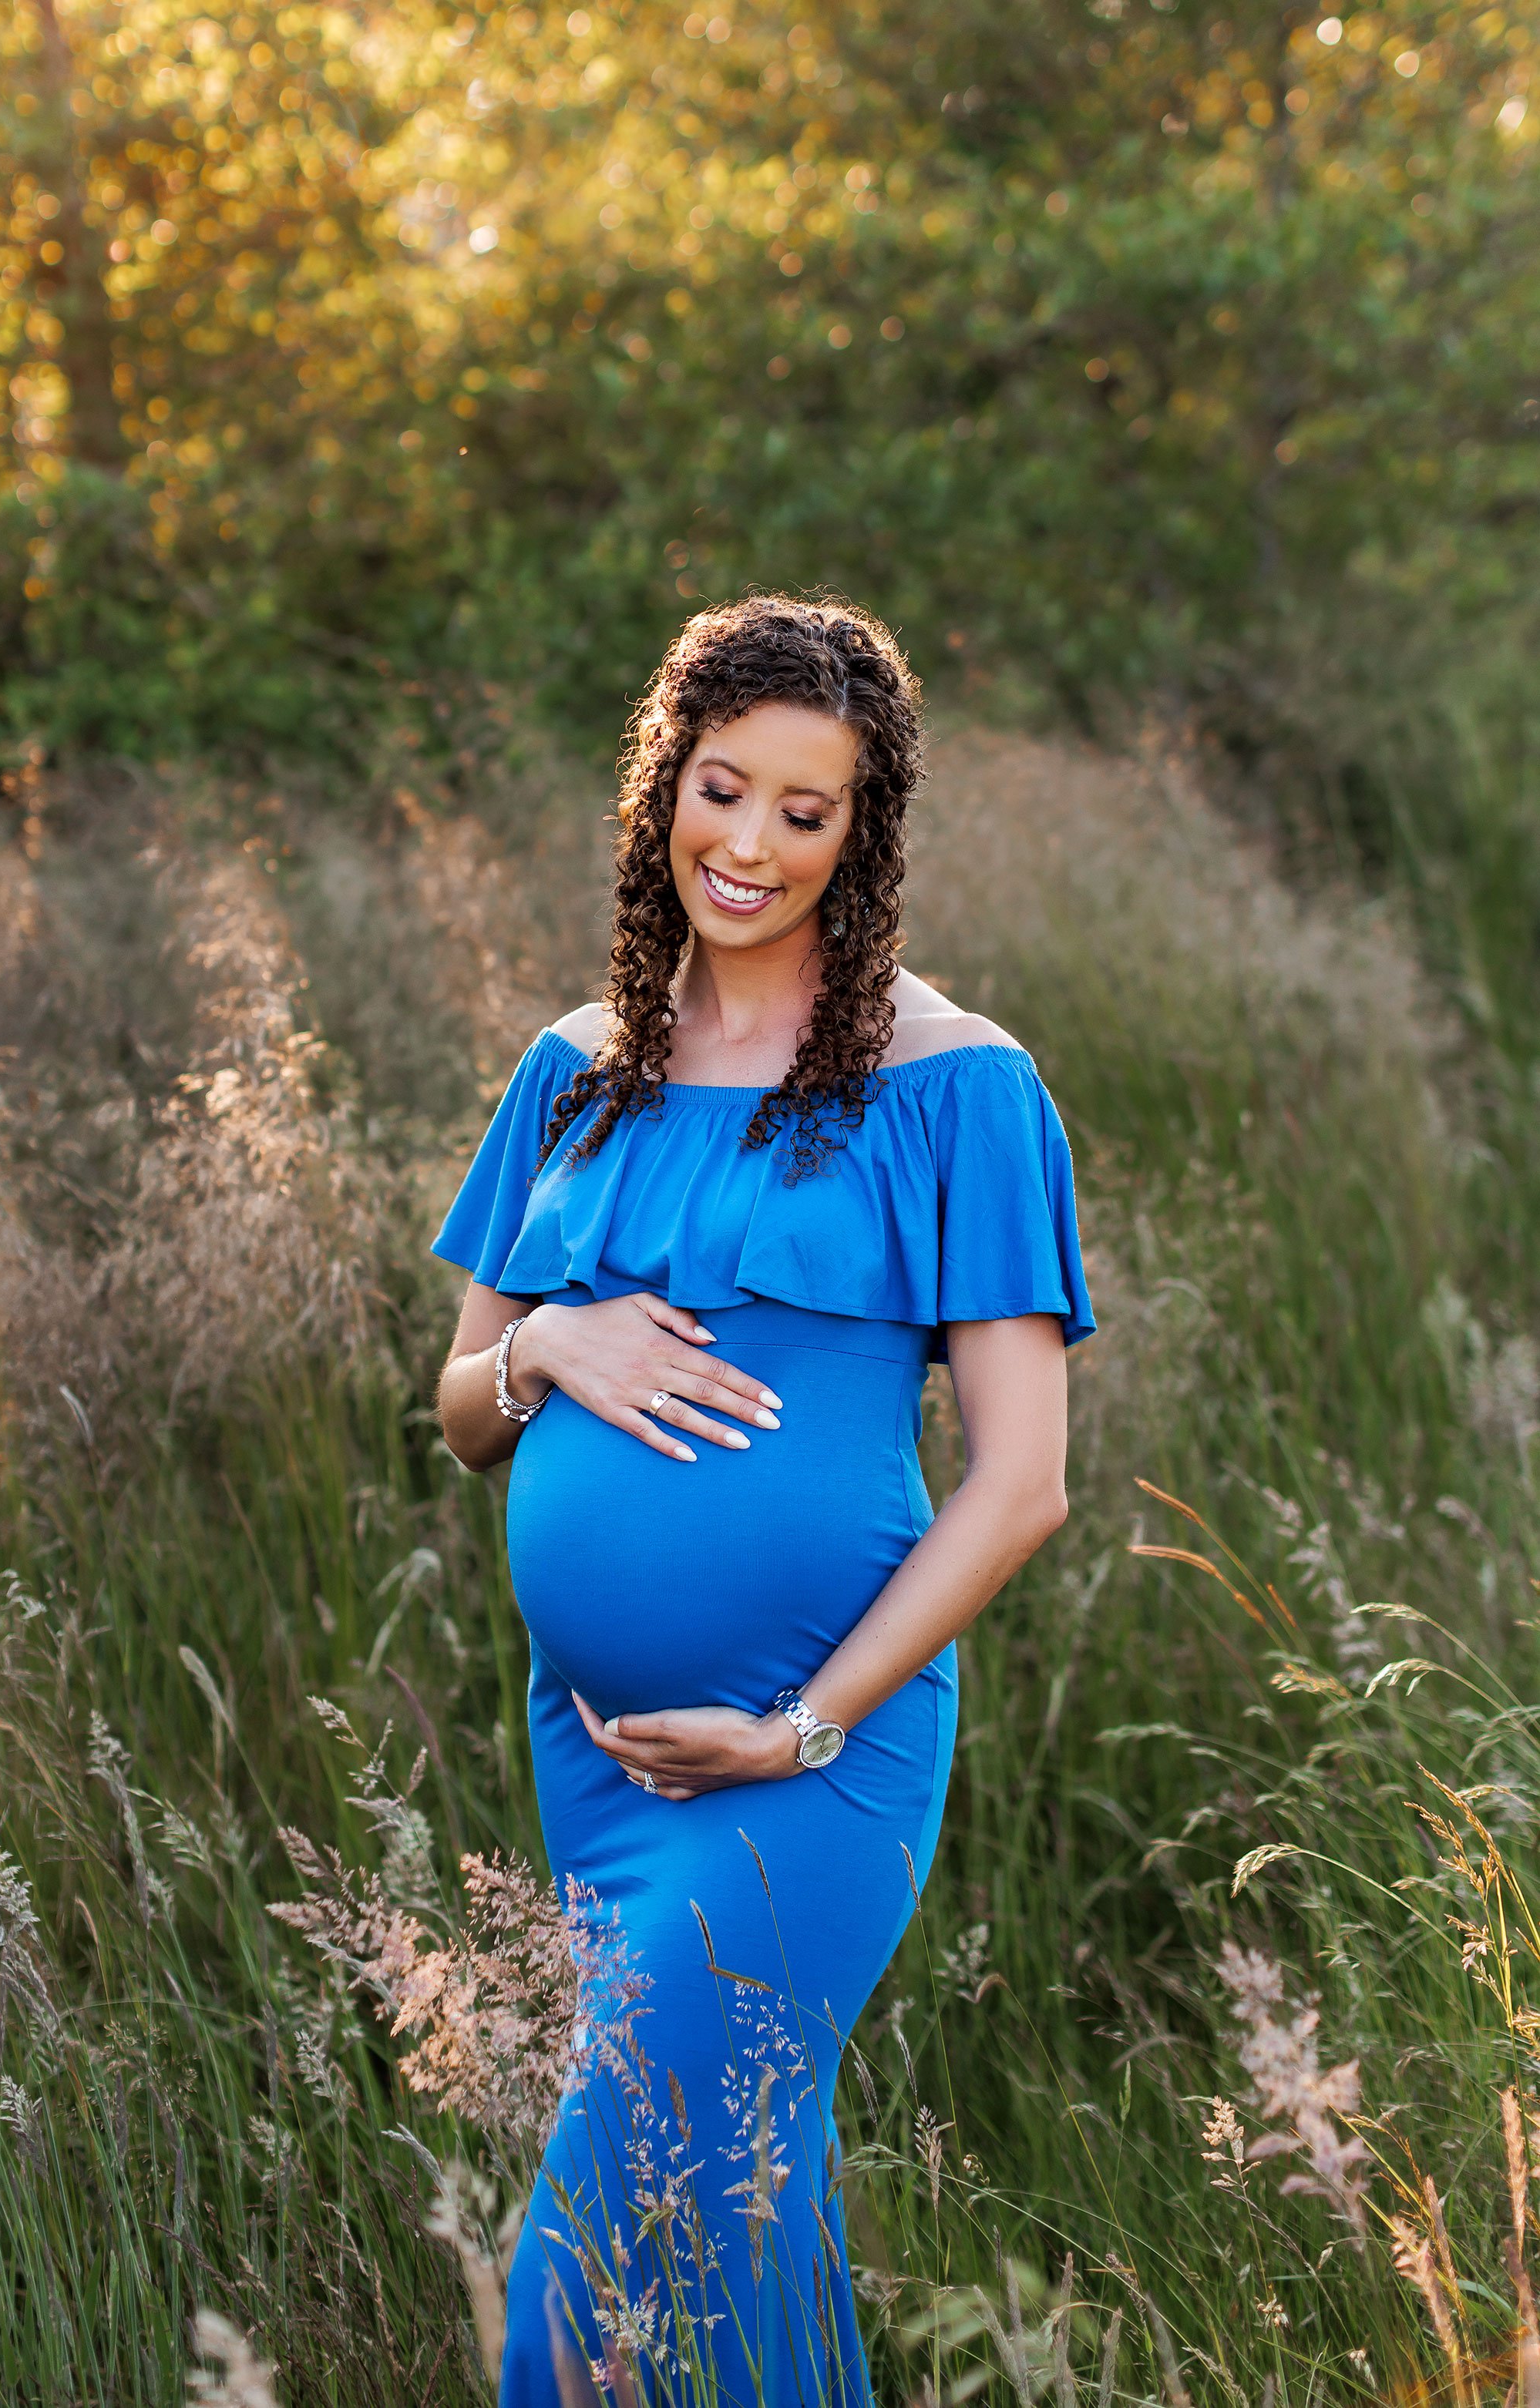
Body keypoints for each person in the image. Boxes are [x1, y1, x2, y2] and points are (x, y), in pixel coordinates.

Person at [435, 593, 1094, 2406]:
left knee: (585, 2269)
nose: (751, 844)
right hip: (606, 1757)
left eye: (807, 813)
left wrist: (800, 1727)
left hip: (815, 1755)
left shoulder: (957, 1083)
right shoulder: (575, 1070)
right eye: (724, 789)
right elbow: (456, 1406)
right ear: (667, 784)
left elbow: (1021, 1484)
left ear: (859, 838)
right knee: (737, 2217)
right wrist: (551, 1347)